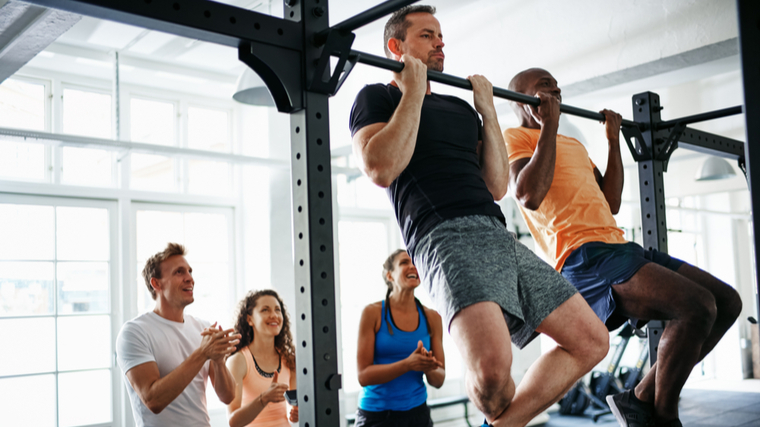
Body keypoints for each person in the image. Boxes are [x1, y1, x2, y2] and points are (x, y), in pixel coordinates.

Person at [349, 6, 609, 427]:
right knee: (491, 378)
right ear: (397, 47)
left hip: (496, 232)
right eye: (427, 35)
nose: (440, 43)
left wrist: (486, 111)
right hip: (442, 236)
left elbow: (496, 186)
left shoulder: (459, 108)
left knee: (592, 340)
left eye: (441, 36)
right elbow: (380, 167)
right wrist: (413, 90)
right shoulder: (377, 97)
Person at [503, 67, 743, 427]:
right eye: (544, 86)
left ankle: (640, 397)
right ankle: (663, 415)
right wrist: (548, 125)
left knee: (726, 302)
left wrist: (613, 141)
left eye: (555, 83)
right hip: (584, 255)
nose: (555, 89)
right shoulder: (514, 137)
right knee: (697, 307)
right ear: (521, 99)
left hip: (617, 244)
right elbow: (528, 194)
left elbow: (611, 200)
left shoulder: (574, 144)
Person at [116, 243, 241, 427]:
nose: (190, 278)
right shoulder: (134, 332)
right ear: (156, 283)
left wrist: (219, 360)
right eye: (179, 272)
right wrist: (203, 353)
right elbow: (153, 400)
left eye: (190, 271)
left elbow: (228, 396)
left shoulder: (203, 328)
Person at [355, 249, 446, 427]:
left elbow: (439, 379)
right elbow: (363, 376)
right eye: (404, 262)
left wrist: (427, 366)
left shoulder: (432, 317)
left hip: (417, 414)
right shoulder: (372, 313)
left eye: (415, 262)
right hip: (377, 416)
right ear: (390, 276)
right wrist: (408, 364)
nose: (413, 266)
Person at [225, 289, 298, 427]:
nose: (274, 315)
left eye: (278, 310)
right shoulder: (238, 361)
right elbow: (233, 421)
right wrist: (264, 399)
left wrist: (295, 413)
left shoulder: (289, 359)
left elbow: (293, 409)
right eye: (265, 310)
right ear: (249, 319)